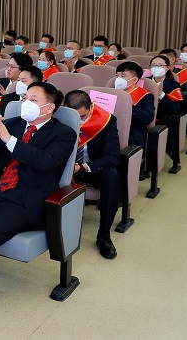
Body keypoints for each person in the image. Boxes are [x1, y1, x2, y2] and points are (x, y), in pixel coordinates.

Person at [0, 82, 75, 294]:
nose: (26, 103)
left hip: (26, 199)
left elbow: (45, 162)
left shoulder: (64, 133)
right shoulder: (12, 123)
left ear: (50, 107)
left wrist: (9, 140)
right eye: (25, 98)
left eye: (33, 100)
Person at [63, 90, 121, 259]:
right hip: (64, 167)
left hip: (91, 168)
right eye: (74, 116)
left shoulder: (106, 121)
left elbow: (112, 157)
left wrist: (83, 166)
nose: (78, 120)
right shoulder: (60, 117)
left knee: (112, 176)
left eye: (82, 116)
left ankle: (104, 235)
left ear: (90, 107)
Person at [114, 61, 154, 149]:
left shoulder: (145, 96)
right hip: (111, 129)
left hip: (132, 132)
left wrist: (127, 105)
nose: (118, 79)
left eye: (123, 76)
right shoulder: (111, 92)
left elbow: (148, 118)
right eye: (117, 76)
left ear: (135, 79)